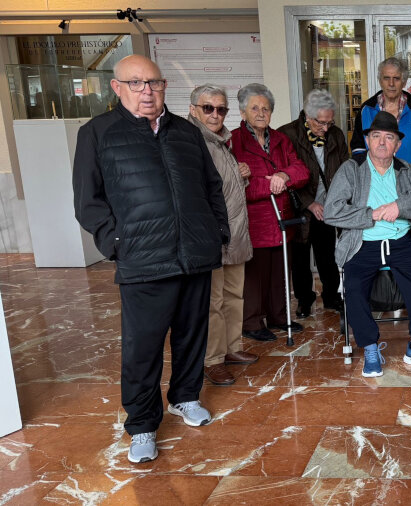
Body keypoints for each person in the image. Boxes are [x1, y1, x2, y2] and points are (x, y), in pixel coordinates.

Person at [73, 55, 229, 463]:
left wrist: (217, 235)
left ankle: (186, 397)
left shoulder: (186, 132)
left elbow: (212, 188)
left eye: (154, 83)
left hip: (194, 254)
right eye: (137, 83)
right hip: (143, 260)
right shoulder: (97, 133)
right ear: (116, 87)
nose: (147, 91)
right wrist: (117, 243)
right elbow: (88, 203)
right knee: (142, 348)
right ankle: (142, 424)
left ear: (164, 87)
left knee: (192, 334)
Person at [324, 111, 411, 377]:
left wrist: (399, 206)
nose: (381, 142)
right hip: (363, 243)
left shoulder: (404, 170)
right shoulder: (351, 169)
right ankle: (369, 347)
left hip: (400, 240)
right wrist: (371, 215)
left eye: (388, 137)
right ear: (367, 140)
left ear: (397, 144)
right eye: (376, 136)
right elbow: (331, 211)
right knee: (353, 286)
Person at [187, 84, 258, 387]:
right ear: (194, 110)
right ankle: (212, 360)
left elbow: (225, 191)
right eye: (208, 108)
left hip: (234, 235)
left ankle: (231, 348)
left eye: (221, 109)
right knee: (212, 302)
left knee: (232, 296)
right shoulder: (190, 142)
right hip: (210, 238)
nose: (216, 114)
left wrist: (241, 175)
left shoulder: (220, 141)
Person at [231, 83, 310, 341]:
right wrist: (271, 184)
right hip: (255, 222)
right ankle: (252, 322)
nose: (261, 113)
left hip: (283, 220)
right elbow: (238, 185)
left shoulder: (280, 139)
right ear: (243, 113)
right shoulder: (234, 141)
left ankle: (278, 317)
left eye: (266, 108)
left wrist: (283, 175)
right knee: (255, 276)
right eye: (254, 108)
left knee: (279, 273)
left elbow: (301, 170)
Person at [278, 89, 348, 317]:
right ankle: (304, 300)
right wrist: (309, 203)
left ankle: (331, 296)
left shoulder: (336, 135)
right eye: (321, 123)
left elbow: (344, 170)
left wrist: (337, 201)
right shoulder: (287, 135)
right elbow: (283, 174)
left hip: (328, 207)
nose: (325, 128)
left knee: (327, 255)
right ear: (307, 116)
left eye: (330, 122)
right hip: (299, 208)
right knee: (300, 256)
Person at [351, 57, 411, 176]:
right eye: (386, 78)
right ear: (380, 80)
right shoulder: (367, 110)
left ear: (404, 82)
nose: (391, 84)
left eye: (396, 78)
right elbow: (358, 149)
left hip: (410, 181)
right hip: (375, 181)